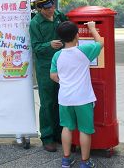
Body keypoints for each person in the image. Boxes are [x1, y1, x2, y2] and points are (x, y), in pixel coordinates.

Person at [51, 21, 103, 168]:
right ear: (76, 35)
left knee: (66, 127)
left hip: (65, 98)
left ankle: (66, 160)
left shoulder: (57, 55)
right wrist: (92, 28)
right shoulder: (85, 50)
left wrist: (66, 81)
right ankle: (85, 162)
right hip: (83, 98)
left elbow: (53, 76)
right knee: (85, 130)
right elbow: (100, 43)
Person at [29, 0, 68, 152]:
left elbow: (69, 28)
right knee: (47, 102)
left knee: (63, 100)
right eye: (46, 8)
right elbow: (36, 47)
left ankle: (61, 134)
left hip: (63, 63)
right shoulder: (35, 23)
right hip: (45, 67)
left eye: (51, 6)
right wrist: (49, 45)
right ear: (39, 9)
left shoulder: (59, 16)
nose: (51, 10)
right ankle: (47, 137)